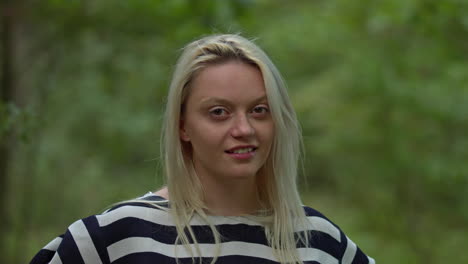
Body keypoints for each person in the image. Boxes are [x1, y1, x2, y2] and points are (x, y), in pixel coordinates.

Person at [30, 34, 375, 264]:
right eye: (219, 112)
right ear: (183, 126)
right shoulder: (119, 236)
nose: (244, 129)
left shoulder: (318, 241)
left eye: (259, 110)